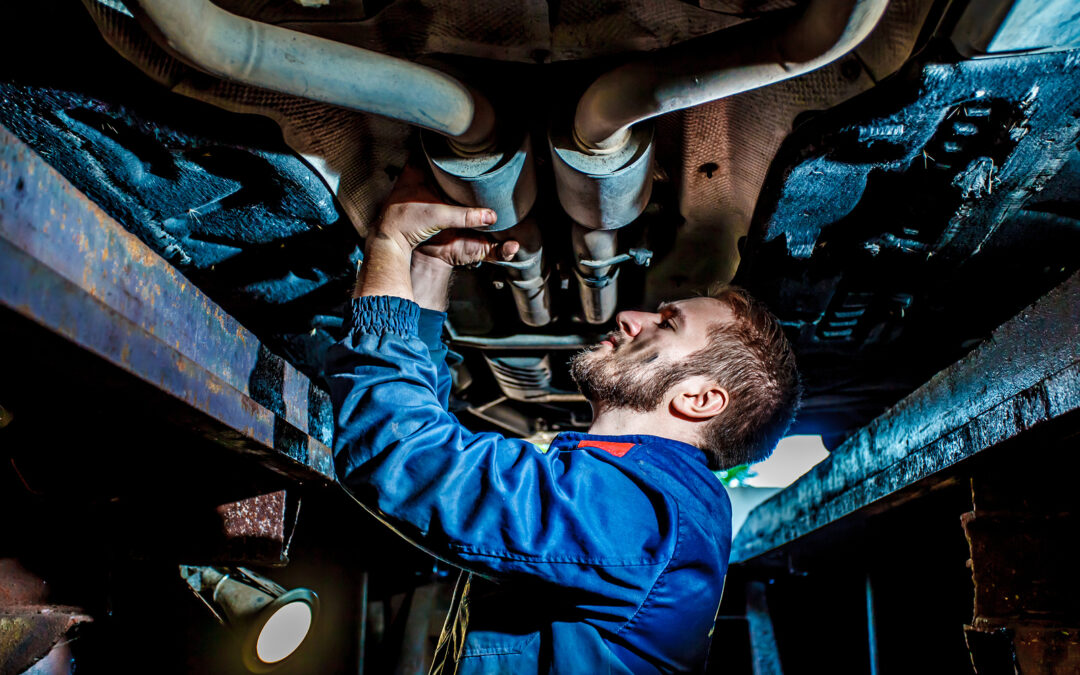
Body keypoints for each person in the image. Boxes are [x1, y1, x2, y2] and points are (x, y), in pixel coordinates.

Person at [326, 167, 801, 674]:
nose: (630, 317)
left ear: (700, 399)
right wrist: (429, 264)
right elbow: (423, 432)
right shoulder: (647, 503)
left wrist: (390, 244)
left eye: (668, 324)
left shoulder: (645, 518)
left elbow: (403, 456)